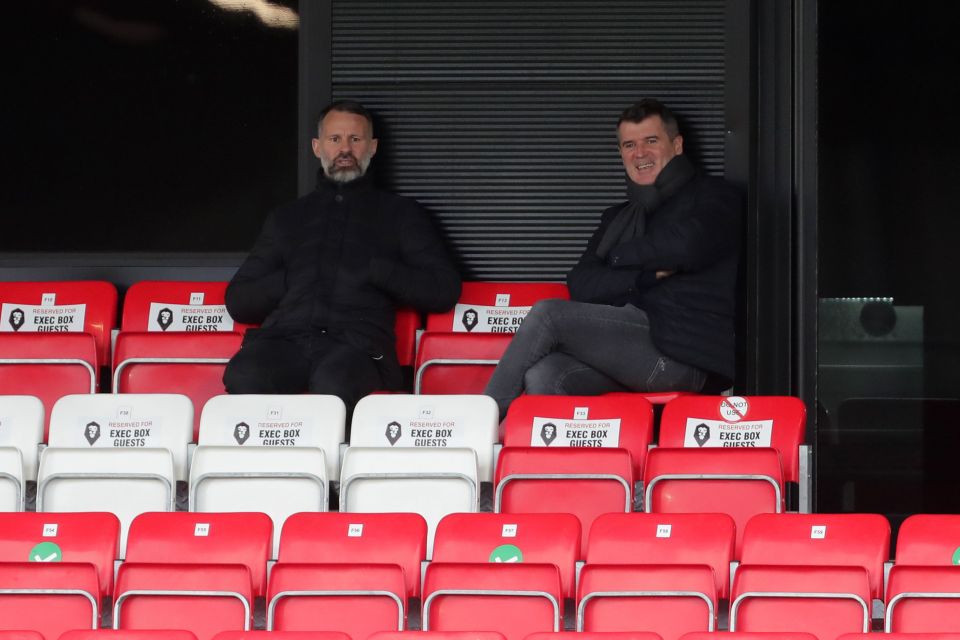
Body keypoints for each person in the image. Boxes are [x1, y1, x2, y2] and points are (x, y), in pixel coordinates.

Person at [485, 98, 741, 418]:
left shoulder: (715, 196)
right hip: (625, 353)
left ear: (676, 145)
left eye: (651, 141)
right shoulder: (618, 218)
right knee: (545, 374)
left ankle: (484, 422)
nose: (640, 153)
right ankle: (557, 466)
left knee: (549, 314)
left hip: (681, 357)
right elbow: (581, 282)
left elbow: (686, 246)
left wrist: (618, 257)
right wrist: (642, 276)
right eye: (629, 145)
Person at [223, 99, 461, 408]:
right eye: (335, 139)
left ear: (372, 147)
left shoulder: (401, 214)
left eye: (355, 139)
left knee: (333, 382)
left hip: (358, 347)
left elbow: (443, 289)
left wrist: (376, 270)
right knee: (245, 373)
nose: (345, 149)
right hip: (286, 340)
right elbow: (238, 301)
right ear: (317, 147)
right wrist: (289, 279)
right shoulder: (287, 218)